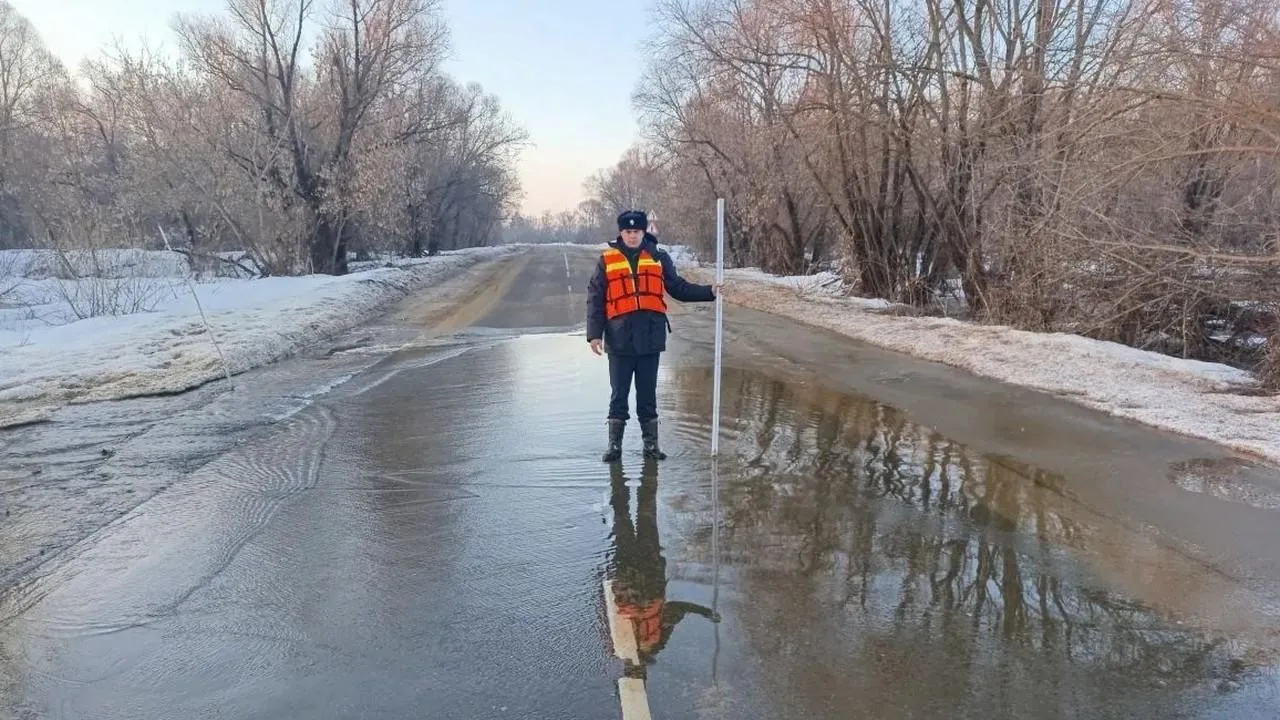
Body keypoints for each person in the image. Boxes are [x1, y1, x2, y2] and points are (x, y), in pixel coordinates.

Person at [586, 209, 721, 462]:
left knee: (647, 396)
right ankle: (614, 447)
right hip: (619, 339)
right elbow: (595, 299)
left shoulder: (659, 257)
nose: (633, 236)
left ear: (643, 231)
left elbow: (678, 287)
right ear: (621, 233)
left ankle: (651, 446)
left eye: (637, 231)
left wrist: (709, 292)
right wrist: (594, 335)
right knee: (619, 395)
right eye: (628, 231)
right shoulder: (607, 260)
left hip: (650, 337)